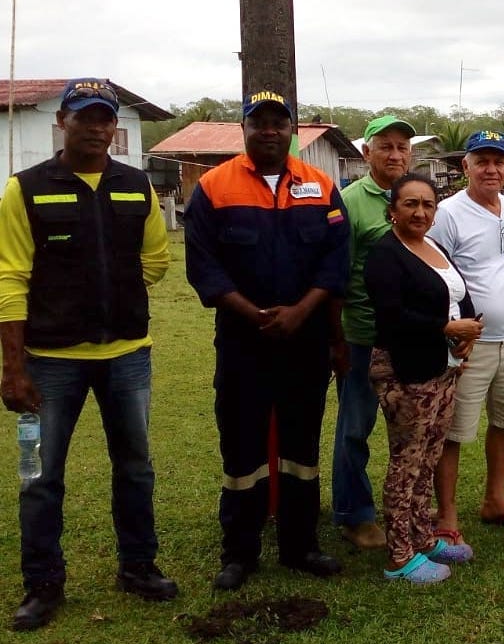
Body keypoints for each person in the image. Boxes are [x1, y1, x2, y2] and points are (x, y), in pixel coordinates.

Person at [0, 78, 177, 631]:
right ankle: (43, 584)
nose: (98, 128)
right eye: (86, 118)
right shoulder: (24, 188)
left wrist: (114, 294)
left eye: (106, 119)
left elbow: (157, 259)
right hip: (50, 361)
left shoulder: (134, 184)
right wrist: (13, 366)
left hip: (127, 355)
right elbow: (10, 278)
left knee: (135, 467)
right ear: (63, 123)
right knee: (41, 475)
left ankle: (139, 566)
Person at [184, 89, 350, 590]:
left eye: (280, 122)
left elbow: (335, 260)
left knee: (301, 444)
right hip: (242, 341)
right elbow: (202, 264)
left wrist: (302, 312)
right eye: (260, 123)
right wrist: (251, 313)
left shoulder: (321, 186)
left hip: (304, 338)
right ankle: (239, 552)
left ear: (293, 131)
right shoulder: (213, 187)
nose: (271, 131)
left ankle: (301, 546)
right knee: (241, 445)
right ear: (245, 130)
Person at [365, 173, 485, 583]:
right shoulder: (386, 254)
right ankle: (399, 555)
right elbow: (392, 315)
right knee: (407, 463)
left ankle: (422, 536)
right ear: (392, 210)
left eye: (428, 205)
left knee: (430, 456)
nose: (420, 212)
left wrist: (467, 335)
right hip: (405, 371)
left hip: (442, 368)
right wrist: (446, 330)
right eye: (410, 204)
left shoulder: (433, 246)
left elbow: (457, 296)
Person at [429, 130, 504, 533]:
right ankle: (446, 514)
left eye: (499, 161)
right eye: (482, 161)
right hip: (467, 345)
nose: (491, 169)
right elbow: (431, 272)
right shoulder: (446, 213)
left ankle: (496, 499)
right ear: (466, 166)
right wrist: (452, 327)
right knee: (453, 432)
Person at [330, 115, 417, 551]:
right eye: (385, 146)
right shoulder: (349, 201)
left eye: (402, 146)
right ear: (366, 153)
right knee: (355, 428)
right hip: (362, 336)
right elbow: (336, 275)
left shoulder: (417, 198)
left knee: (411, 428)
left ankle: (408, 507)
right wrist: (338, 339)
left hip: (410, 338)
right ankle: (354, 514)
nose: (395, 154)